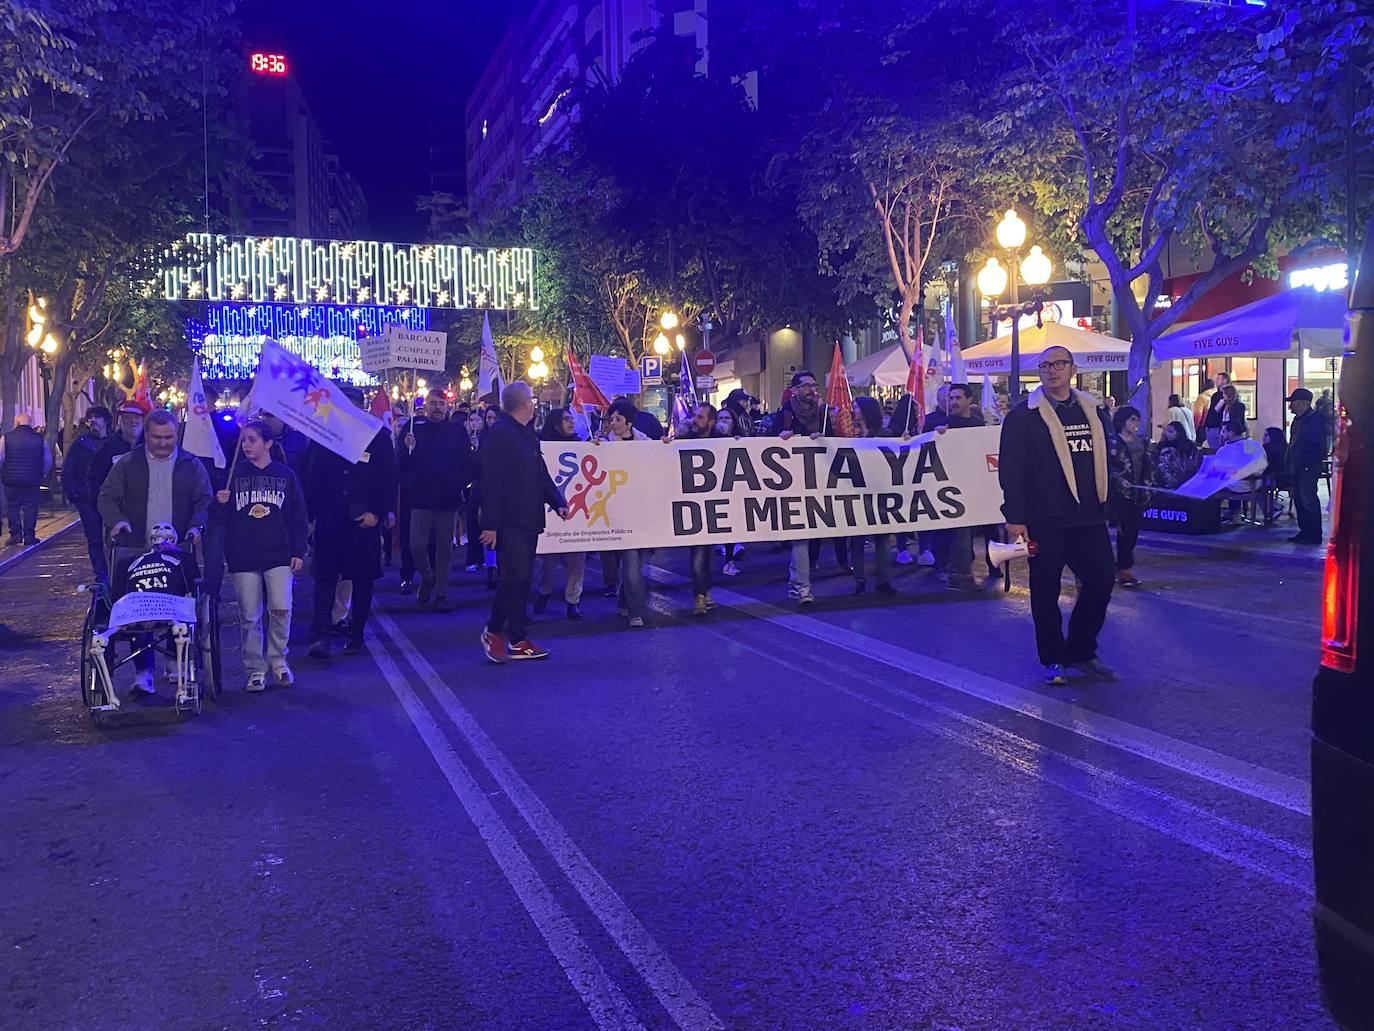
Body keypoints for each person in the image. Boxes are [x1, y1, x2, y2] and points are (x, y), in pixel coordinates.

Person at [998, 345, 1122, 685]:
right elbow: (1012, 469)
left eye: (1059, 364)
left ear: (1072, 369)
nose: (1052, 370)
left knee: (1101, 581)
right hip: (1045, 519)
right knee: (1045, 592)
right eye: (1046, 365)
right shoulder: (1023, 416)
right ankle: (1054, 659)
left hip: (1089, 517)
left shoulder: (1092, 411)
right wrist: (1015, 516)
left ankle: (1081, 651)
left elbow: (1108, 460)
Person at [478, 382, 569, 662]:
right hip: (508, 521)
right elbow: (490, 481)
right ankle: (495, 630)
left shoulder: (526, 434)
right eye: (532, 397)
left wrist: (557, 501)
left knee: (522, 579)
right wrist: (490, 524)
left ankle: (517, 638)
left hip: (529, 518)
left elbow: (540, 474)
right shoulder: (501, 435)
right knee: (513, 578)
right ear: (523, 403)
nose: (535, 402)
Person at [215, 420, 308, 691]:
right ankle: (255, 669)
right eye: (244, 440)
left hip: (279, 554)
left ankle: (278, 660)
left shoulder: (285, 475)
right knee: (250, 616)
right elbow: (220, 518)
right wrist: (219, 503)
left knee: (281, 608)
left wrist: (298, 550)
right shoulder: (234, 475)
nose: (246, 445)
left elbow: (298, 516)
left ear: (268, 443)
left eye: (252, 440)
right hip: (243, 555)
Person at [303, 388, 396, 659]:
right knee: (324, 579)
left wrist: (378, 512)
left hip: (363, 520)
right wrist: (309, 517)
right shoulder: (323, 435)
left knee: (363, 580)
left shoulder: (378, 437)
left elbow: (388, 479)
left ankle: (356, 635)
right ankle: (320, 635)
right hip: (331, 517)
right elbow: (312, 476)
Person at [97, 409, 212, 550]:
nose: (163, 443)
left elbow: (204, 500)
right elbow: (107, 497)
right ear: (146, 435)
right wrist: (116, 521)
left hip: (179, 549)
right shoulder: (128, 463)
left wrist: (196, 526)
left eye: (168, 437)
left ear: (176, 435)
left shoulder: (191, 465)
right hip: (135, 549)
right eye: (157, 437)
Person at [400, 388, 471, 612]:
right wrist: (406, 449)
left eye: (441, 404)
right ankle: (427, 576)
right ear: (426, 405)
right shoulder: (413, 428)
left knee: (444, 549)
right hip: (420, 498)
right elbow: (399, 463)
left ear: (447, 406)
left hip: (448, 499)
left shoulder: (457, 432)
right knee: (416, 545)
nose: (437, 408)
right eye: (433, 403)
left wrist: (459, 484)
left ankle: (441, 593)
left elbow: (468, 463)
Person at [773, 370, 827, 605]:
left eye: (812, 386)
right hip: (792, 482)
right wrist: (781, 437)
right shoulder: (785, 415)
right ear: (794, 390)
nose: (810, 390)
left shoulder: (823, 414)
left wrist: (824, 438)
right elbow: (764, 444)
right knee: (801, 535)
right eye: (805, 386)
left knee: (810, 534)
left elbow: (835, 441)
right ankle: (801, 585)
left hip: (817, 481)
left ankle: (800, 581)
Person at [598, 399, 651, 625]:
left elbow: (659, 461)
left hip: (640, 511)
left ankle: (623, 599)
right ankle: (637, 611)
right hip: (616, 512)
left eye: (618, 419)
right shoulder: (603, 444)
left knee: (636, 561)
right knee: (630, 559)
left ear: (629, 422)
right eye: (611, 419)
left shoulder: (645, 443)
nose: (614, 423)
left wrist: (666, 445)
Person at [533, 408, 587, 620]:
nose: (571, 422)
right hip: (552, 508)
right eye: (566, 419)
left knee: (577, 558)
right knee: (548, 560)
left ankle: (573, 600)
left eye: (571, 418)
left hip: (576, 507)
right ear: (556, 424)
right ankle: (544, 591)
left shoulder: (580, 444)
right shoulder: (541, 445)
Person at [933, 384, 984, 592]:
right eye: (951, 398)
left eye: (958, 398)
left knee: (965, 531)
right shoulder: (942, 424)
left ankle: (957, 570)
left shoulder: (977, 424)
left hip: (970, 483)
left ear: (969, 400)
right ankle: (958, 573)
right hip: (946, 485)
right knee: (957, 531)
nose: (953, 402)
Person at [674, 401, 722, 615]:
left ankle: (706, 591)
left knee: (708, 553)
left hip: (714, 504)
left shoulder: (722, 441)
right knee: (697, 552)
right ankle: (699, 596)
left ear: (711, 421)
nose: (695, 420)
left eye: (701, 417)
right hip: (692, 504)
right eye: (695, 416)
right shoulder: (685, 440)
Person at [850, 396, 896, 597]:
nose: (854, 411)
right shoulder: (852, 435)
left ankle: (883, 580)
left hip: (880, 493)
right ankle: (860, 580)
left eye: (856, 407)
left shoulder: (884, 434)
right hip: (858, 493)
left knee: (882, 538)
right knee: (857, 540)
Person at [62, 406, 112, 578]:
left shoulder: (113, 443)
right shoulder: (80, 444)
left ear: (106, 421)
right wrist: (75, 495)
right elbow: (68, 471)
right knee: (95, 538)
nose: (93, 421)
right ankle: (101, 573)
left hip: (112, 500)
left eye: (97, 417)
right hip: (88, 500)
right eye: (90, 417)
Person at [1, 413, 53, 546]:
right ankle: (29, 536)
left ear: (17, 423)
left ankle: (16, 534)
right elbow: (47, 460)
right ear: (30, 424)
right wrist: (42, 474)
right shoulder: (39, 439)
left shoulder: (6, 438)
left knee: (13, 507)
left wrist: (4, 472)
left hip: (11, 480)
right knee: (31, 507)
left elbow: (1, 457)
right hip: (32, 479)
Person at [1285, 387, 1328, 544]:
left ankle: (1314, 533)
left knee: (1308, 499)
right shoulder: (1298, 420)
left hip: (1308, 468)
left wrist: (1306, 462)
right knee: (1299, 500)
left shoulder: (1315, 419)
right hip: (1297, 467)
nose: (1290, 406)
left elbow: (1319, 446)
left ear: (1302, 403)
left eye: (1293, 403)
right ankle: (1305, 531)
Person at [1111, 405, 1147, 587]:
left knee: (1133, 531)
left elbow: (1146, 464)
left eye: (1137, 419)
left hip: (1137, 492)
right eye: (1132, 419)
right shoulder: (1112, 442)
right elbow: (1106, 468)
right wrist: (1118, 480)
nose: (1135, 423)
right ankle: (1123, 569)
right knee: (1125, 529)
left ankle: (1122, 566)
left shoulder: (1140, 442)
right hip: (1119, 495)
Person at [1154, 421, 1200, 490]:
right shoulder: (1162, 445)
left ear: (1178, 433)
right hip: (1165, 481)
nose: (1167, 434)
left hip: (1184, 480)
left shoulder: (1187, 445)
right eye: (1167, 431)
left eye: (1171, 432)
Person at [1203, 372, 1231, 449]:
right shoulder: (1216, 394)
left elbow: (1217, 409)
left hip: (1217, 426)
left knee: (1216, 449)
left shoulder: (1225, 396)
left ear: (1225, 380)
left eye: (1218, 379)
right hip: (1210, 425)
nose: (1216, 381)